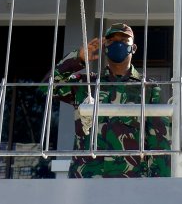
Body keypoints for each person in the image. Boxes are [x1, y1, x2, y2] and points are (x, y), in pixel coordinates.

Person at [51, 22, 170, 177]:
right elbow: (47, 87)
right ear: (105, 47)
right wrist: (78, 58)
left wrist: (161, 185)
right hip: (87, 177)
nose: (117, 44)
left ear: (133, 48)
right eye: (112, 41)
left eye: (123, 40)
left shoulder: (149, 89)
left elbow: (159, 142)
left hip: (132, 179)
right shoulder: (86, 85)